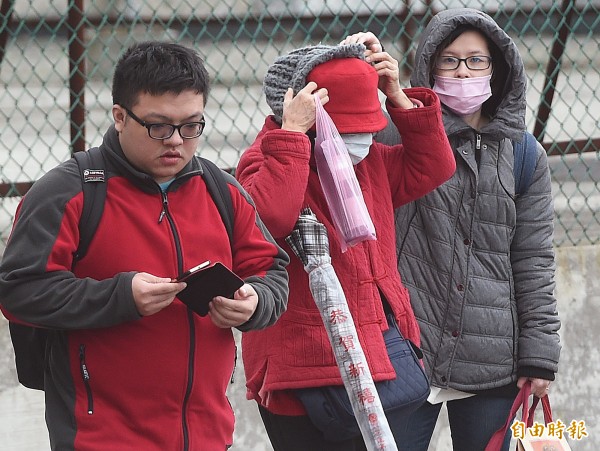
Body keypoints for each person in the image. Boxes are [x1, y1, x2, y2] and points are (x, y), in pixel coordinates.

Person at [0, 41, 289, 450]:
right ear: (120, 116)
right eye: (159, 126)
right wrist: (119, 296)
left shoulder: (223, 191)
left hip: (209, 435)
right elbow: (19, 291)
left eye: (192, 126)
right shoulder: (68, 191)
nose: (176, 141)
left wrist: (255, 302)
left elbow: (271, 269)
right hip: (100, 438)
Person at [342, 8, 562, 451]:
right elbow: (340, 145)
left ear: (497, 68)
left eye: (475, 60)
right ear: (429, 64)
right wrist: (365, 78)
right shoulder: (395, 136)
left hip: (493, 358)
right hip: (407, 350)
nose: (463, 72)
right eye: (449, 60)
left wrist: (539, 353)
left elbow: (533, 257)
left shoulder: (524, 155)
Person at [235, 43, 455, 450]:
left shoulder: (370, 162)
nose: (362, 140)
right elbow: (271, 218)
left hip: (372, 353)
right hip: (301, 373)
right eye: (347, 130)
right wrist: (291, 136)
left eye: (368, 128)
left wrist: (397, 97)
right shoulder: (266, 157)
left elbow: (434, 165)